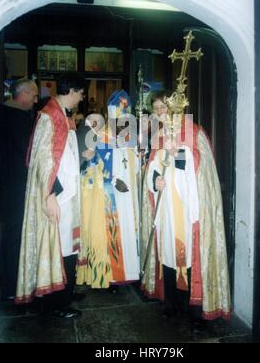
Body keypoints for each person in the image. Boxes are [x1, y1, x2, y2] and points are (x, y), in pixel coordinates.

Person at [141, 91, 231, 320]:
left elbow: (199, 170)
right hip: (166, 209)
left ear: (173, 108)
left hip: (186, 207)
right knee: (168, 253)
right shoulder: (158, 136)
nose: (160, 112)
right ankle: (171, 303)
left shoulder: (192, 131)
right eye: (156, 108)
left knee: (187, 254)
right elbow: (152, 168)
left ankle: (192, 307)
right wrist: (155, 181)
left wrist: (177, 154)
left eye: (164, 107)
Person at [15, 72, 86, 319]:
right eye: (81, 92)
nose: (82, 97)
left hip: (67, 193)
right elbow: (42, 161)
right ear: (72, 91)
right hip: (57, 195)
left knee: (67, 246)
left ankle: (64, 292)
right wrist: (50, 195)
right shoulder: (49, 115)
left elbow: (64, 155)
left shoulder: (63, 115)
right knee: (60, 247)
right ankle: (57, 303)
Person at [76, 90, 140, 289]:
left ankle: (129, 272)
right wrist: (109, 179)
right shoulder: (100, 137)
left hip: (130, 195)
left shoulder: (133, 139)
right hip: (110, 196)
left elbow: (137, 166)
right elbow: (92, 167)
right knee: (111, 233)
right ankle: (111, 276)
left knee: (129, 230)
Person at [0, 78, 38, 300]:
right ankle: (12, 287)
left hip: (10, 187)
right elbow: (29, 153)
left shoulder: (9, 115)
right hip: (16, 188)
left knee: (13, 236)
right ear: (22, 94)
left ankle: (13, 284)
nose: (35, 99)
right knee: (14, 236)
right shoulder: (17, 118)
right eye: (33, 95)